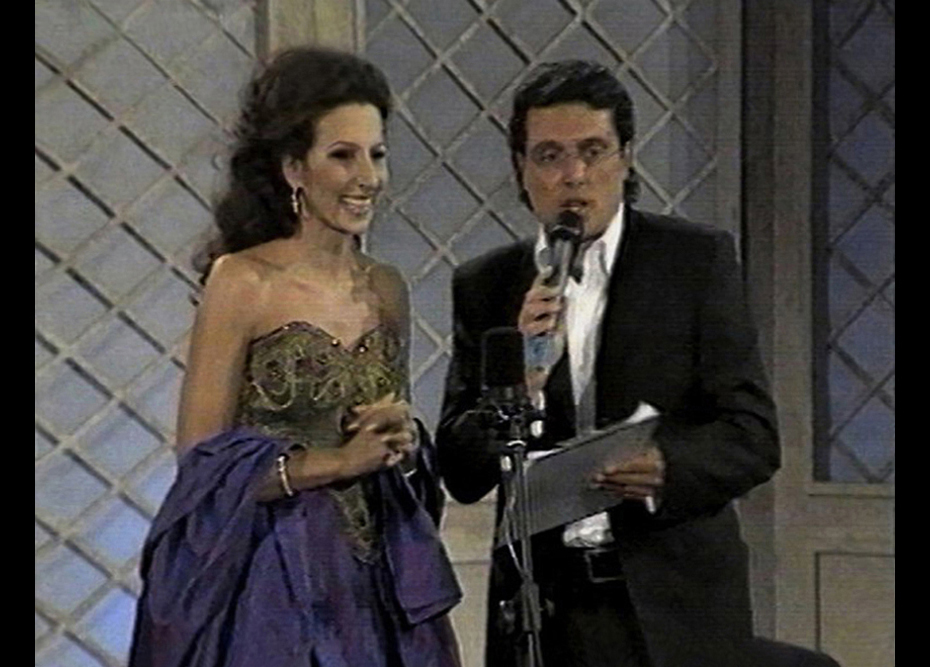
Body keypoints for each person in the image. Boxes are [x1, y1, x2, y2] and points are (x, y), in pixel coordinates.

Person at [437, 60, 792, 666]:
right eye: (549, 156)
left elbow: (753, 435)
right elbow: (461, 469)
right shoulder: (486, 285)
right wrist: (521, 380)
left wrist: (667, 466)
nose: (573, 175)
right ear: (521, 169)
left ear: (625, 158)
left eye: (593, 151)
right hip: (544, 610)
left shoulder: (694, 262)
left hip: (673, 606)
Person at [130, 48, 461, 667]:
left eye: (377, 154)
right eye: (343, 155)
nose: (367, 177)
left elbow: (393, 438)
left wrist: (403, 439)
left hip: (377, 583)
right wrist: (334, 463)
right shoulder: (243, 281)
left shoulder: (387, 287)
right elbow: (201, 464)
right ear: (293, 168)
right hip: (271, 585)